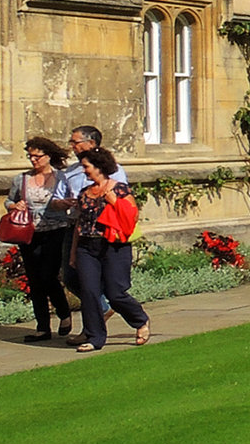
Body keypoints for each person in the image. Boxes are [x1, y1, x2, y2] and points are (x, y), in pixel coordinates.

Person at [69, 148, 150, 351]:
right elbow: (80, 225)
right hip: (87, 248)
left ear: (99, 167)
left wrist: (113, 201)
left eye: (86, 167)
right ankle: (95, 337)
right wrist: (73, 253)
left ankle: (139, 320)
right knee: (89, 292)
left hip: (114, 247)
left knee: (115, 293)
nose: (84, 171)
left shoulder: (120, 189)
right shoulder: (84, 193)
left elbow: (131, 217)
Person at [56, 126, 128, 318]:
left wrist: (93, 201)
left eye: (76, 142)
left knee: (104, 280)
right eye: (71, 142)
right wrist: (62, 203)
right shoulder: (69, 172)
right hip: (75, 228)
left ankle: (96, 324)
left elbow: (122, 198)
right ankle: (102, 309)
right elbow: (57, 199)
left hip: (103, 229)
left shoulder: (114, 171)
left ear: (91, 143)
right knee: (71, 278)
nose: (72, 147)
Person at [9, 136, 74, 341]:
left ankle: (63, 312)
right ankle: (42, 326)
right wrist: (14, 206)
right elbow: (9, 200)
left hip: (56, 230)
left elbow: (74, 199)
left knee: (48, 275)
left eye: (38, 156)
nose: (34, 160)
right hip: (29, 232)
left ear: (48, 156)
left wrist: (65, 204)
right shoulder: (21, 179)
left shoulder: (62, 178)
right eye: (31, 156)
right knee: (35, 279)